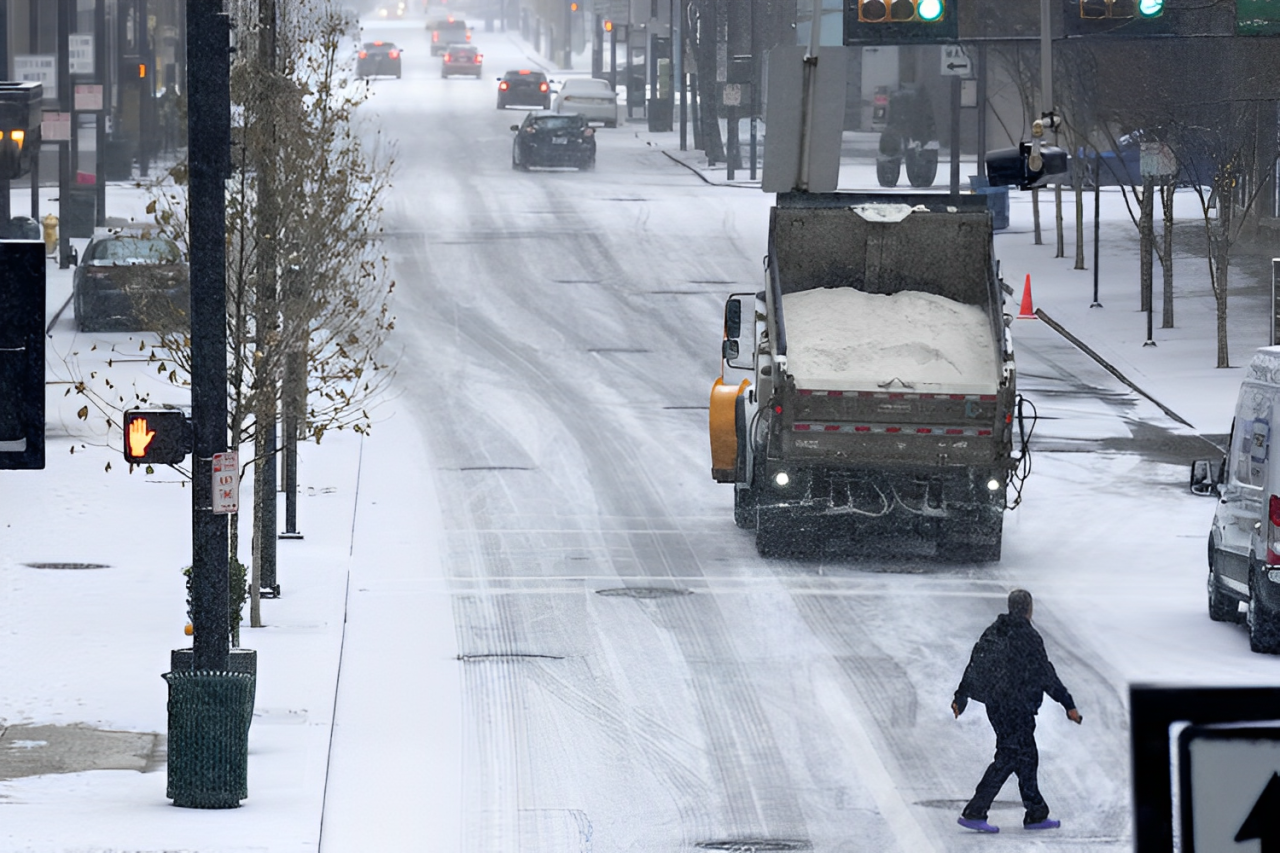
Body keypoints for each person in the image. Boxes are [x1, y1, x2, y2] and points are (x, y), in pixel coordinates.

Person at [951, 588, 1082, 833]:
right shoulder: (1028, 637)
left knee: (1027, 757)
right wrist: (1068, 704)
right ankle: (975, 811)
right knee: (1009, 757)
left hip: (997, 706)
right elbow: (1046, 674)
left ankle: (1036, 813)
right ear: (1029, 609)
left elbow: (977, 663)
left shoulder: (995, 631)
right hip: (1017, 708)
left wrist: (962, 695)